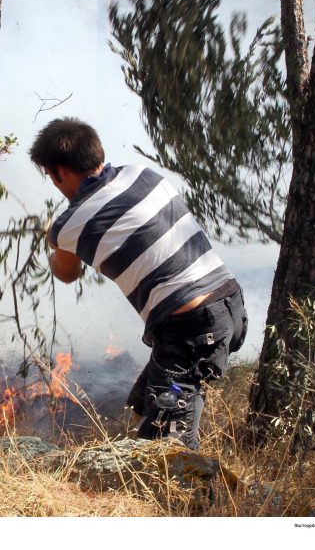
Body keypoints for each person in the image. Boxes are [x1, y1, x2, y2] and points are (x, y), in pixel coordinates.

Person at [30, 117, 247, 450]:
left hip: (190, 329)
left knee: (167, 441)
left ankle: (188, 498)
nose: (55, 184)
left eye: (50, 177)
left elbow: (67, 273)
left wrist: (53, 239)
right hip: (229, 306)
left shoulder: (69, 225)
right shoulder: (144, 175)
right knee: (143, 404)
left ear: (58, 172)